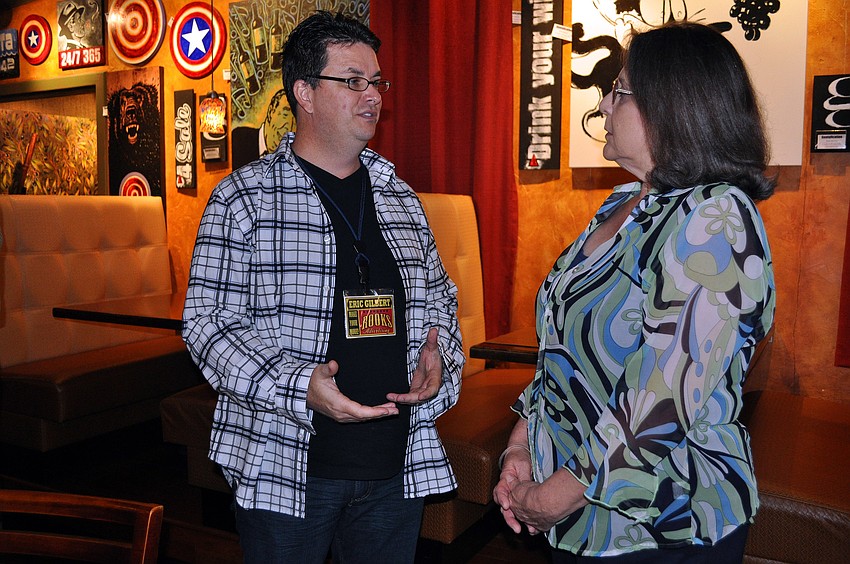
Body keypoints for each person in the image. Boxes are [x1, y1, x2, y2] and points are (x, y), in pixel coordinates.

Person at [182, 10, 464, 564]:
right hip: (287, 463)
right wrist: (296, 384)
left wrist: (439, 354)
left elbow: (440, 296)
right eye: (353, 80)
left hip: (394, 463)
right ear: (304, 93)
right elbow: (206, 323)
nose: (373, 95)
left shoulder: (399, 196)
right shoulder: (244, 198)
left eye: (376, 81)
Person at [494, 21, 776, 563]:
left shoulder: (715, 216)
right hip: (579, 510)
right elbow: (561, 352)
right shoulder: (621, 203)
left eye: (620, 91)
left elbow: (662, 397)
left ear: (673, 106)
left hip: (662, 523)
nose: (602, 105)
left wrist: (554, 495)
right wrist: (520, 444)